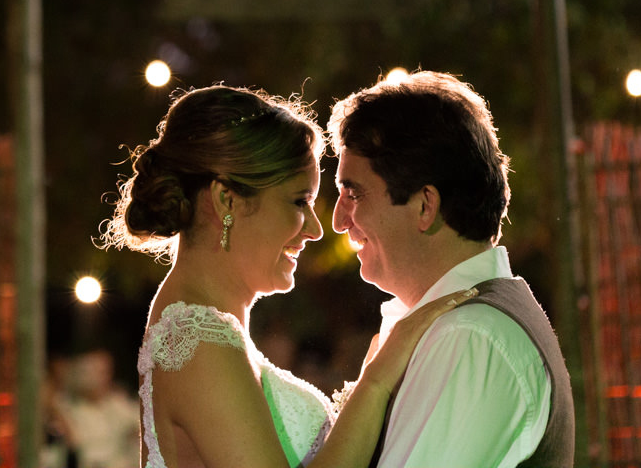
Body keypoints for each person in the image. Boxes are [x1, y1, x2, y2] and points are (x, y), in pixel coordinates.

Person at [98, 84, 477, 468]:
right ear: (226, 199)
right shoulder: (196, 341)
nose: (315, 228)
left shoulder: (203, 330)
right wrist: (375, 384)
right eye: (299, 202)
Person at [328, 70, 574, 468]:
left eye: (353, 193)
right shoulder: (457, 327)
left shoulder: (470, 339)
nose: (340, 220)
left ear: (425, 205)